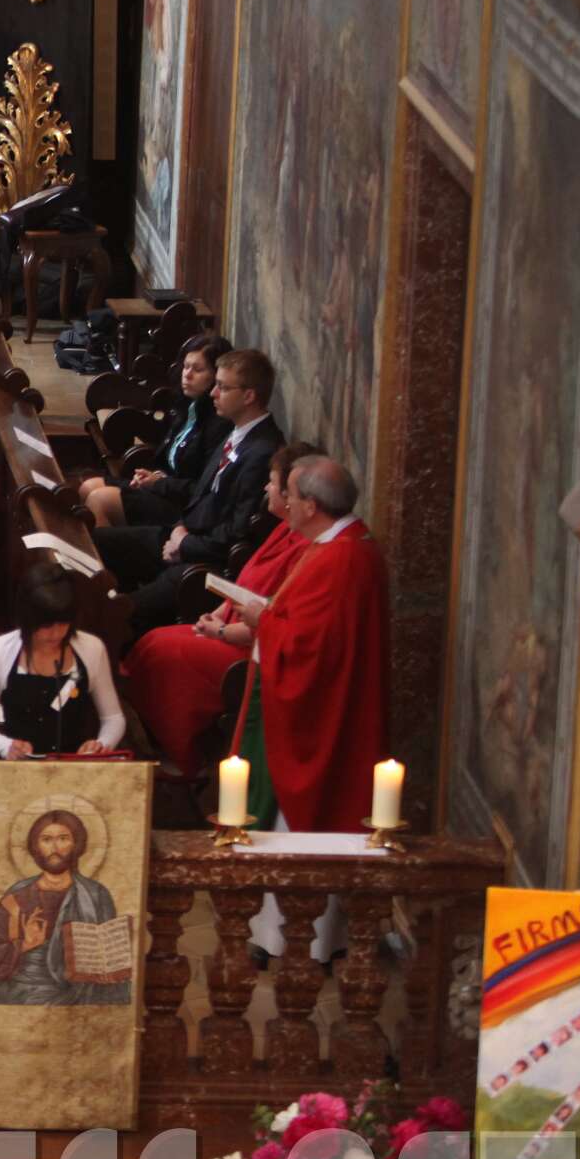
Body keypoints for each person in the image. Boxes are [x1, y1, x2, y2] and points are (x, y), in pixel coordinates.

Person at [120, 439, 318, 774]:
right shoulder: (285, 529)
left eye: (272, 483)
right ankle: (144, 738)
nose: (266, 488)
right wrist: (219, 611)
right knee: (153, 642)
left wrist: (222, 630)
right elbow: (248, 581)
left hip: (250, 649)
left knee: (167, 652)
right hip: (231, 625)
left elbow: (274, 615)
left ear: (290, 496)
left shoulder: (306, 549)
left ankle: (182, 758)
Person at [226, 455, 390, 830]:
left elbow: (312, 647)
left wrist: (262, 620)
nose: (285, 503)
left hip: (318, 713)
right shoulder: (337, 545)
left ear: (312, 506)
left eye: (291, 495)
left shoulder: (342, 558)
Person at [94, 348, 285, 636]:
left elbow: (236, 532)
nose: (213, 393)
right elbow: (201, 495)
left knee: (118, 613)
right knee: (95, 543)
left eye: (223, 387)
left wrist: (184, 544)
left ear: (249, 396)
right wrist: (179, 530)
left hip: (203, 561)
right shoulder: (237, 431)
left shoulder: (262, 451)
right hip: (184, 533)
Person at [0, 810, 130, 1006]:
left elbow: (112, 960)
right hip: (21, 993)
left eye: (63, 839)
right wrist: (24, 945)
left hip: (79, 994)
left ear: (77, 844)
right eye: (46, 839)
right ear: (35, 846)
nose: (55, 847)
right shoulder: (17, 896)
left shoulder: (95, 894)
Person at [0, 566, 126, 759]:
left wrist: (101, 745)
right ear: (28, 618)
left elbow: (113, 719)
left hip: (76, 765)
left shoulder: (91, 648)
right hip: (19, 767)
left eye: (64, 623)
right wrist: (5, 746)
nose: (56, 633)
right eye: (46, 625)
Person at [81, 333, 234, 527]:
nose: (187, 375)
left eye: (198, 369)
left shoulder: (219, 423)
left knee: (99, 500)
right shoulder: (187, 405)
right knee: (88, 486)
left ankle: (109, 544)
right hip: (163, 486)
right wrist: (149, 475)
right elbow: (166, 456)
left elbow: (201, 487)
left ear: (216, 376)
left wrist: (158, 483)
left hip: (183, 505)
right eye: (186, 366)